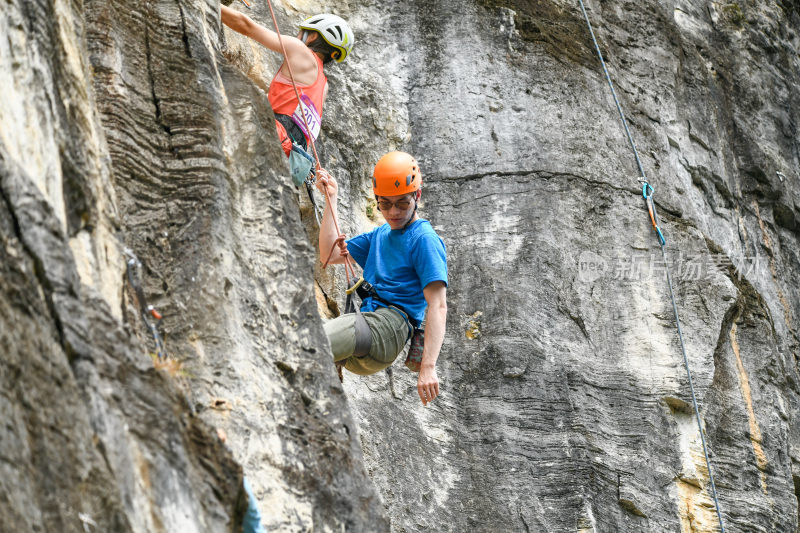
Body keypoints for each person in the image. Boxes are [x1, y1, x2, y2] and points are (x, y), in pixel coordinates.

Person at [316, 152, 448, 405]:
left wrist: (428, 366)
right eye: (385, 204)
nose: (394, 212)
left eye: (402, 203)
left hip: (390, 329)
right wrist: (330, 199)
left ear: (417, 196)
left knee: (310, 341)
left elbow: (438, 305)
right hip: (365, 334)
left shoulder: (424, 239)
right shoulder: (380, 235)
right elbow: (330, 254)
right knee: (310, 347)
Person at [220, 6, 354, 154]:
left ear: (313, 36)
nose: (297, 36)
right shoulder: (324, 87)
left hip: (273, 134)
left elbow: (246, 26)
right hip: (293, 157)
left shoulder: (300, 50)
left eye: (301, 32)